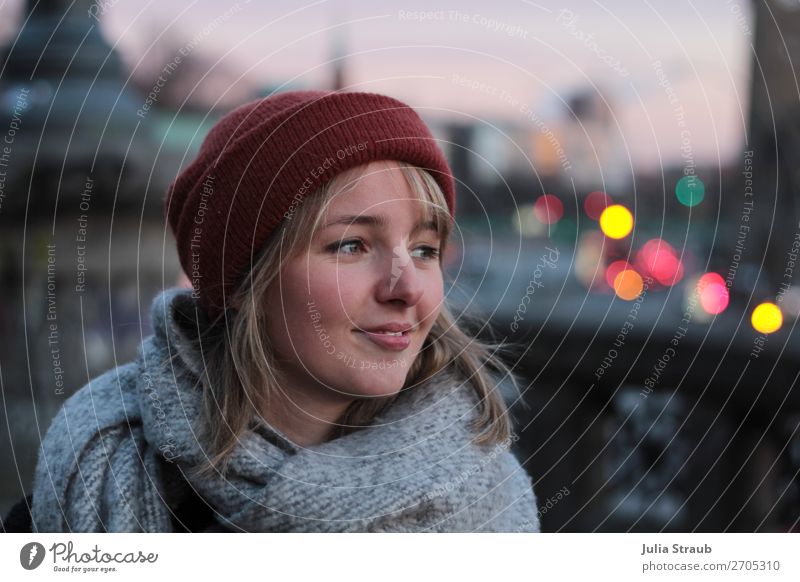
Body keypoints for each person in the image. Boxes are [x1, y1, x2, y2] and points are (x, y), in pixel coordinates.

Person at [27, 90, 541, 532]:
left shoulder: (485, 503)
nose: (407, 288)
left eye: (425, 250)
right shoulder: (98, 470)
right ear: (243, 281)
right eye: (351, 245)